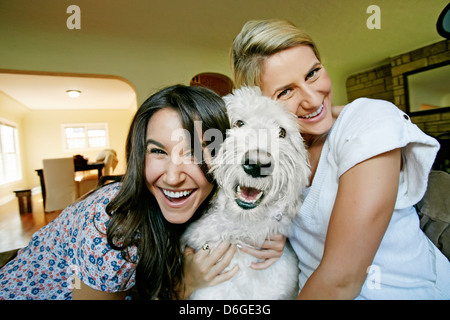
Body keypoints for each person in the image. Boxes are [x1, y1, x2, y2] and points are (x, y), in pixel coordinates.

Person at [231, 19, 450, 299]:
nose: (312, 99)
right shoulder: (268, 154)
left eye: (312, 73)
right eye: (285, 91)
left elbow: (342, 279)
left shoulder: (369, 121)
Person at [0, 85, 283, 300]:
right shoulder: (110, 229)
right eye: (158, 151)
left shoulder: (219, 194)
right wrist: (184, 287)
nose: (172, 177)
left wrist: (273, 236)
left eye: (195, 153)